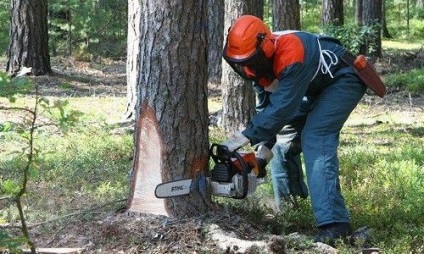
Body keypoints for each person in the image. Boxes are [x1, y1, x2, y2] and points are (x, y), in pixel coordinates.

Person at [220, 15, 381, 245]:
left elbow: (282, 109)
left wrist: (240, 138)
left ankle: (335, 224)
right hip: (312, 85)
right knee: (284, 144)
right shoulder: (254, 65)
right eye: (240, 62)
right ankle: (291, 210)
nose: (245, 67)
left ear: (264, 49)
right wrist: (261, 155)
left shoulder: (292, 53)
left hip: (343, 77)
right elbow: (268, 107)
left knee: (316, 135)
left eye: (249, 61)